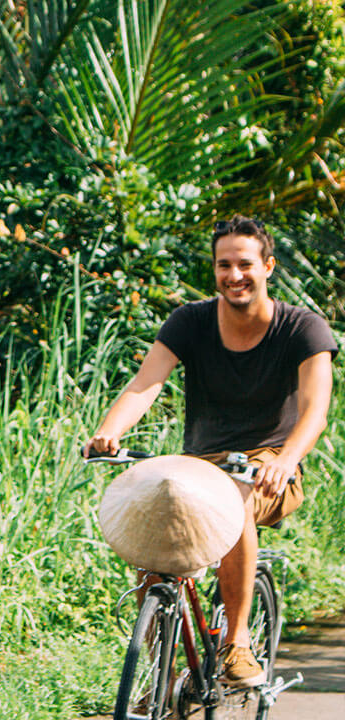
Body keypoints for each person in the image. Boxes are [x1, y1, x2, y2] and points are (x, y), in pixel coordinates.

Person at [84, 216, 336, 688]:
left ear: (268, 267)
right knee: (150, 505)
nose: (234, 275)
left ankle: (236, 643)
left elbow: (314, 411)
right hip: (200, 466)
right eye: (224, 265)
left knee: (234, 499)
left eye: (245, 264)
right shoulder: (190, 322)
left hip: (268, 467)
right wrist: (109, 430)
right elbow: (145, 384)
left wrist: (284, 460)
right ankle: (158, 671)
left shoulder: (303, 328)